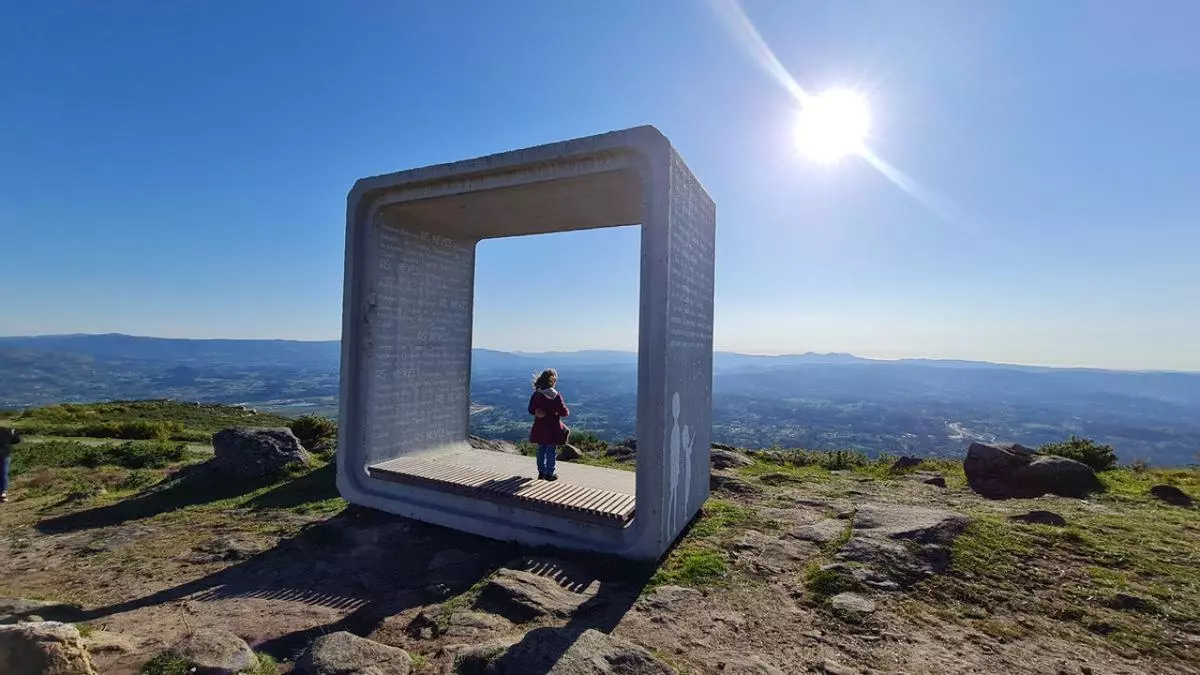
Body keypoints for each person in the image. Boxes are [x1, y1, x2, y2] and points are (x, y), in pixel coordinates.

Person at [528, 368, 569, 481]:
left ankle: (541, 472)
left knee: (541, 449)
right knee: (551, 451)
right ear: (553, 381)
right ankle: (549, 474)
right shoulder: (556, 396)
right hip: (553, 428)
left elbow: (531, 410)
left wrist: (538, 411)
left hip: (540, 427)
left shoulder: (536, 394)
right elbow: (564, 412)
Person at [0, 428, 20, 504]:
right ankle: (2, 493)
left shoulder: (7, 430)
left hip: (5, 454)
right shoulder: (8, 430)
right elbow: (16, 440)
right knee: (4, 473)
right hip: (5, 453)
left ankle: (2, 493)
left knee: (3, 473)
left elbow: (16, 440)